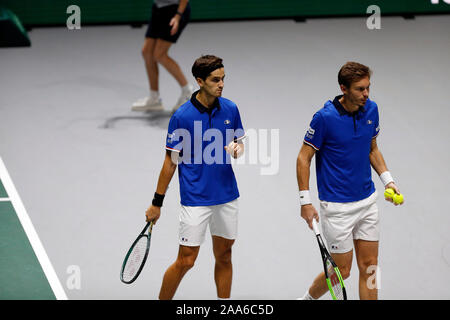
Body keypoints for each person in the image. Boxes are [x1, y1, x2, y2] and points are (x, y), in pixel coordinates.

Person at [296, 62, 403, 300]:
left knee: (370, 266)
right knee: (342, 271)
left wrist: (388, 180)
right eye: (360, 89)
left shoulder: (372, 109)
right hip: (337, 209)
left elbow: (372, 148)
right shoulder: (324, 118)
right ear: (344, 89)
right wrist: (305, 202)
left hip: (367, 202)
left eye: (368, 88)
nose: (366, 94)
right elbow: (304, 158)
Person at [145, 55, 245, 300]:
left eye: (223, 79)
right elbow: (170, 162)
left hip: (226, 196)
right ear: (200, 81)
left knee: (224, 255)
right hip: (195, 198)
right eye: (215, 80)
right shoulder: (182, 116)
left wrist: (237, 149)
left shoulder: (230, 108)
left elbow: (239, 144)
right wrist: (156, 203)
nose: (221, 84)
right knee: (186, 261)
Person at [132, 0, 194, 112]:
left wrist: (178, 16)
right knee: (147, 53)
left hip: (176, 11)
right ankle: (154, 99)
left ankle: (188, 92)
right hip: (159, 9)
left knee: (159, 54)